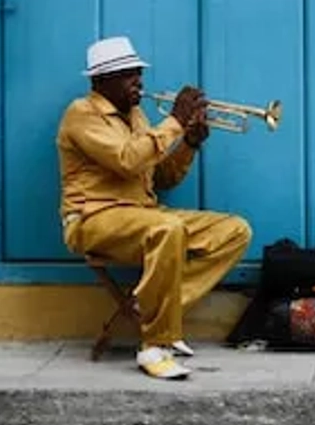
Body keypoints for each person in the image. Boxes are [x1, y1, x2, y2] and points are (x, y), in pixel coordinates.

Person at [57, 36, 252, 379]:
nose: (139, 82)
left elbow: (161, 178)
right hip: (93, 218)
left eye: (138, 73)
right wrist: (176, 121)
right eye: (129, 75)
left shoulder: (138, 116)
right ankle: (154, 346)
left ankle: (148, 307)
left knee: (235, 230)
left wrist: (189, 144)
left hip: (144, 214)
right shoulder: (81, 114)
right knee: (167, 229)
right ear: (101, 81)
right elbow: (127, 160)